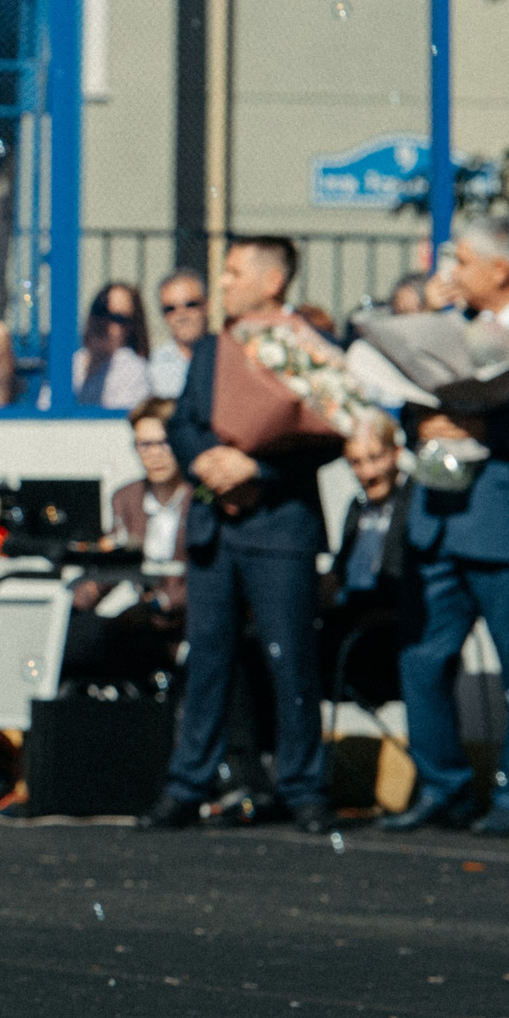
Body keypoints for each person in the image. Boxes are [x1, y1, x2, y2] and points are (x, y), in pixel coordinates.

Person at [384, 217, 509, 837]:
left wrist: (490, 433)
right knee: (422, 659)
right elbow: (413, 394)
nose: (453, 274)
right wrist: (417, 419)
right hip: (439, 520)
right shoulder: (452, 324)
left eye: (464, 262)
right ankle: (442, 786)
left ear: (502, 269)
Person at [141, 234, 343, 836]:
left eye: (233, 273)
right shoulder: (212, 348)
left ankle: (303, 786)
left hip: (279, 525)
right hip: (216, 526)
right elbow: (183, 421)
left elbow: (330, 431)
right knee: (207, 658)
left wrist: (258, 468)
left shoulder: (309, 347)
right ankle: (188, 784)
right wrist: (206, 460)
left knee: (291, 659)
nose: (222, 284)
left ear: (272, 281)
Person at [64, 398, 191, 687]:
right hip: (145, 621)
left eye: (164, 443)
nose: (155, 454)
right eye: (145, 445)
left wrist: (163, 601)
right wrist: (74, 601)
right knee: (73, 641)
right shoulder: (127, 498)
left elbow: (210, 575)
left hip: (192, 621)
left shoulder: (200, 499)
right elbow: (115, 564)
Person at [321, 415, 410, 710]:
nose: (367, 472)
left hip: (386, 634)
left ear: (396, 453)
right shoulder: (357, 509)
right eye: (355, 462)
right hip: (346, 623)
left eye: (375, 458)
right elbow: (340, 573)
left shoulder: (413, 505)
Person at [74, 283, 153, 409]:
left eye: (117, 318)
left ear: (131, 328)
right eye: (100, 310)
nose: (104, 323)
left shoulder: (133, 370)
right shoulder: (71, 364)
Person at [147, 269, 207, 398]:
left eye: (190, 304)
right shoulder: (151, 367)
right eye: (170, 309)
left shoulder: (227, 358)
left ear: (207, 306)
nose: (181, 315)